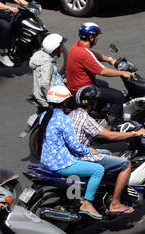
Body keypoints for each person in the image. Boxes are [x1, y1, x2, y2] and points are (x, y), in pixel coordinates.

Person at [69, 87, 145, 214]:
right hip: (82, 156)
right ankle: (115, 204)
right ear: (92, 102)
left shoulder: (73, 114)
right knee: (125, 165)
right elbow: (110, 136)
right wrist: (134, 133)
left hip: (74, 153)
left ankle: (105, 188)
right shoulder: (86, 119)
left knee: (107, 153)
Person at [35, 85, 105, 220]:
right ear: (65, 102)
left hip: (45, 161)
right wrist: (89, 151)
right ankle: (87, 203)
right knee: (98, 170)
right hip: (61, 164)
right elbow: (74, 145)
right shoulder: (64, 119)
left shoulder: (44, 116)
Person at [64, 23, 134, 125]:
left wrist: (110, 59)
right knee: (118, 96)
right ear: (91, 38)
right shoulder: (84, 54)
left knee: (104, 84)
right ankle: (114, 125)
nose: (97, 39)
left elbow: (93, 54)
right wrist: (122, 73)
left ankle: (99, 111)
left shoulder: (76, 46)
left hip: (74, 86)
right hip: (81, 90)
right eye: (97, 36)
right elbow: (103, 71)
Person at [29, 32, 66, 107]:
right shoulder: (47, 64)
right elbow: (44, 84)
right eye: (61, 45)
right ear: (55, 49)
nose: (63, 47)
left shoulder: (40, 54)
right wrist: (53, 100)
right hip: (54, 98)